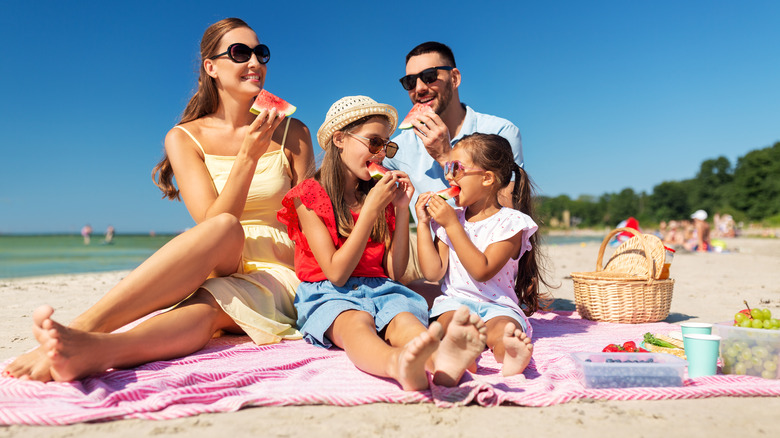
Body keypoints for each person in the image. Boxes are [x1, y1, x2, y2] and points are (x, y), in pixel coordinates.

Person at [3, 18, 314, 382]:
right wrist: (247, 159)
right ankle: (85, 326)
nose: (255, 62)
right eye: (239, 53)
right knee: (226, 225)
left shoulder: (295, 132)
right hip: (218, 251)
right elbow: (212, 222)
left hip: (279, 265)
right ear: (210, 67)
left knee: (210, 308)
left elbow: (311, 217)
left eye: (261, 53)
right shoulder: (183, 138)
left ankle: (97, 351)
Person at [277, 96, 486, 390]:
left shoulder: (379, 194)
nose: (381, 154)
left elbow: (395, 272)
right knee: (355, 326)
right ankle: (396, 364)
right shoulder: (308, 195)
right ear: (340, 139)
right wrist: (371, 210)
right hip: (329, 292)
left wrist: (402, 208)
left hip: (381, 288)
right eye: (373, 142)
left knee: (405, 320)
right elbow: (337, 273)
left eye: (386, 146)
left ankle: (443, 361)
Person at [415, 133, 549, 377]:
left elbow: (482, 270)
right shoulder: (450, 220)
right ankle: (462, 357)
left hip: (498, 305)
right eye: (446, 168)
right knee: (449, 327)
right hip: (455, 303)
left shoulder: (511, 223)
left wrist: (452, 226)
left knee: (504, 331)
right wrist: (424, 225)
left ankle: (509, 355)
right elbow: (433, 272)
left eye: (456, 168)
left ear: (487, 178)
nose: (448, 176)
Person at [384, 41, 524, 222]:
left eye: (429, 76)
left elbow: (507, 211)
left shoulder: (500, 131)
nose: (419, 88)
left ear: (454, 78)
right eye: (410, 82)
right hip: (429, 250)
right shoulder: (399, 148)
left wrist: (445, 157)